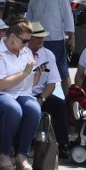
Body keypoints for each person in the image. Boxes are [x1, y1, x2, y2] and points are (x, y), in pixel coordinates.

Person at [0, 20, 42, 170]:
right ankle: (5, 154)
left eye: (29, 41)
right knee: (14, 110)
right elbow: (1, 84)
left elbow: (30, 83)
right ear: (13, 36)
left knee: (34, 109)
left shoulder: (26, 51)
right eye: (25, 41)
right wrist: (25, 73)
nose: (27, 44)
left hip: (21, 93)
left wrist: (36, 74)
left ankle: (22, 155)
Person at [27, 21, 71, 158]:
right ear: (29, 37)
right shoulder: (22, 53)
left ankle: (62, 144)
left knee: (60, 105)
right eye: (37, 37)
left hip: (41, 94)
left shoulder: (48, 54)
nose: (42, 40)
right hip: (23, 93)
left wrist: (42, 98)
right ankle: (24, 144)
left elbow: (52, 83)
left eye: (43, 37)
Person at [27, 0, 75, 93]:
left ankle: (70, 103)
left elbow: (67, 16)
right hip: (37, 43)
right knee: (39, 73)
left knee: (63, 73)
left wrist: (71, 37)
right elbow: (29, 22)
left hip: (56, 40)